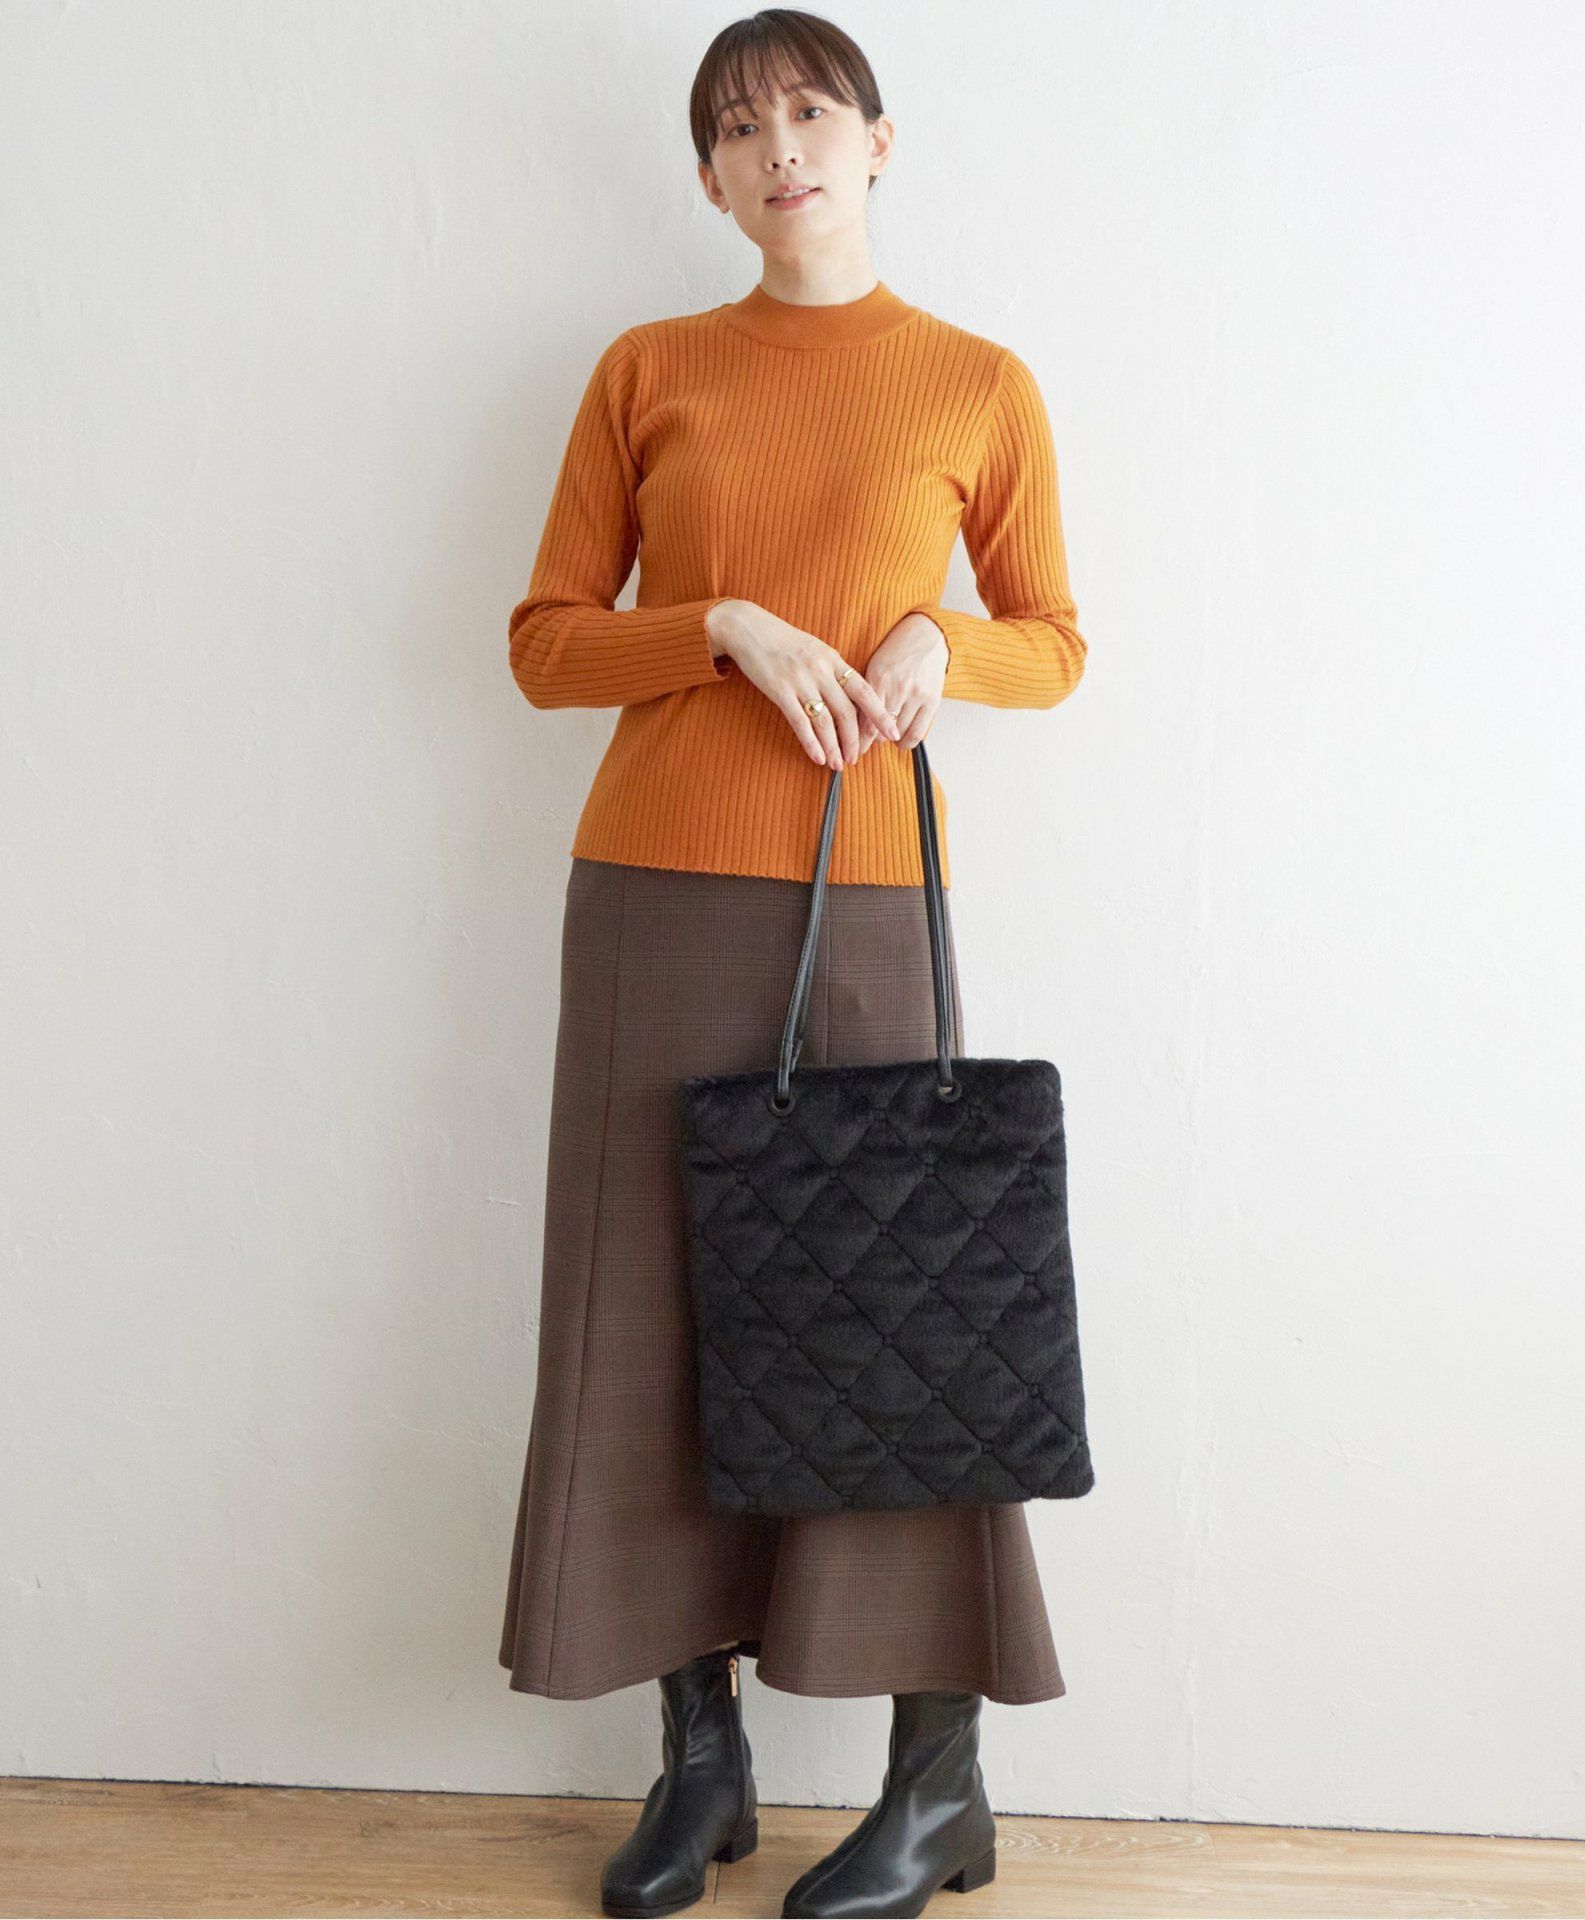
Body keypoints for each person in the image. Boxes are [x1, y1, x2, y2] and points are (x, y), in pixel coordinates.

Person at [496, 11, 1088, 1916]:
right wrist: (722, 626)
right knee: (644, 1310)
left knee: (903, 1303)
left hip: (876, 894)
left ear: (879, 141)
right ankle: (702, 1757)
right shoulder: (647, 369)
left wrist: (941, 641)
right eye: (739, 126)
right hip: (651, 889)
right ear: (708, 176)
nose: (780, 147)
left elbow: (1057, 639)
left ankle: (937, 1784)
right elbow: (545, 640)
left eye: (812, 111)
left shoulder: (976, 381)